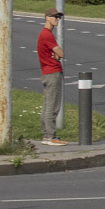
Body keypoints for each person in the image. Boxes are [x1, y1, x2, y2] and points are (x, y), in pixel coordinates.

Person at [37, 8, 66, 146]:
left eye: (58, 17)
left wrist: (56, 54)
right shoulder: (46, 34)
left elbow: (57, 53)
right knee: (52, 106)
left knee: (47, 105)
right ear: (47, 17)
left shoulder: (44, 34)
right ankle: (50, 136)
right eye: (55, 17)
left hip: (47, 73)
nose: (57, 19)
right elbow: (60, 53)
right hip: (52, 73)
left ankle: (46, 135)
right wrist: (57, 54)